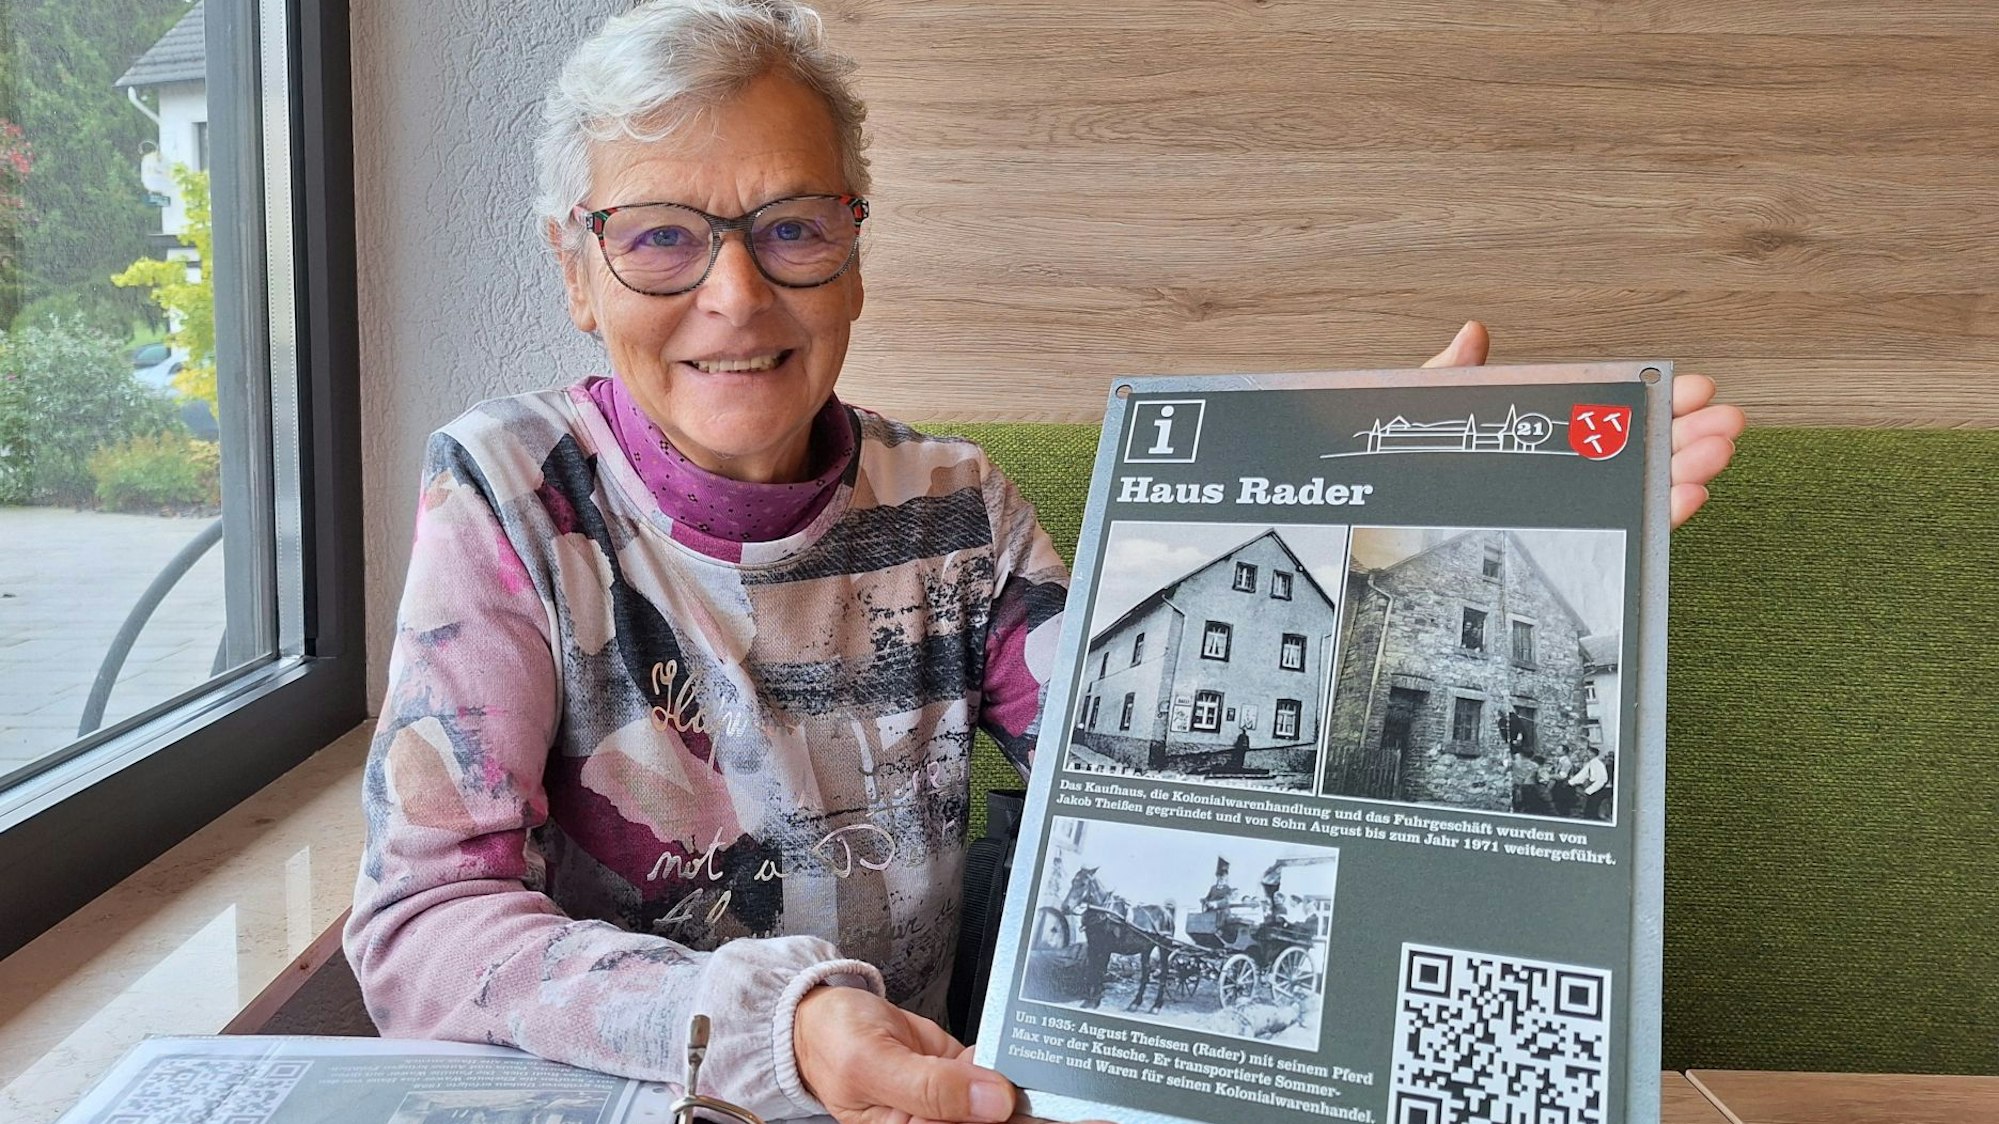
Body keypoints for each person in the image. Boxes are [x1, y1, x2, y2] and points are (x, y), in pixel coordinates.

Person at [345, 4, 1744, 1124]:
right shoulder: (512, 491)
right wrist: (784, 1024)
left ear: (854, 253)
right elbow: (420, 928)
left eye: (793, 228)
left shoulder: (955, 506)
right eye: (660, 237)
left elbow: (1141, 754)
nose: (736, 293)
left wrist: (1383, 510)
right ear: (576, 271)